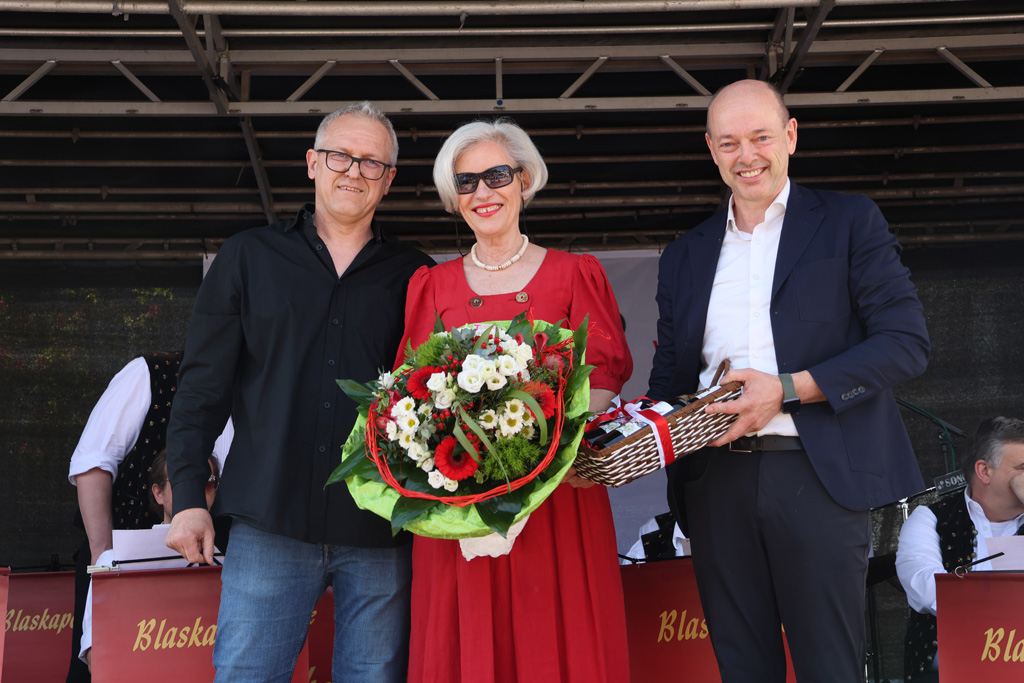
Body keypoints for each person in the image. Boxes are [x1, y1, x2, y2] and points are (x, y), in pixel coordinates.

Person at [647, 79, 930, 682]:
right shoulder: (685, 254)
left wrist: (790, 387)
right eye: (728, 142)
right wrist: (625, 432)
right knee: (743, 670)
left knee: (830, 669)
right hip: (714, 481)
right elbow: (668, 379)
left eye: (760, 138)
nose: (746, 156)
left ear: (791, 136)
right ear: (710, 148)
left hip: (819, 476)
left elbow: (905, 344)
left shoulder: (849, 221)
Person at [164, 101, 434, 683]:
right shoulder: (247, 257)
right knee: (246, 675)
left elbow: (432, 403)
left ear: (388, 181)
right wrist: (187, 495)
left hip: (379, 524)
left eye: (371, 163)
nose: (353, 171)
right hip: (268, 519)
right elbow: (201, 388)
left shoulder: (418, 275)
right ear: (312, 163)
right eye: (340, 155)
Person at [397, 118, 633, 682]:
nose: (483, 192)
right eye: (467, 182)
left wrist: (538, 449)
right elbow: (411, 391)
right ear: (454, 199)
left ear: (524, 180)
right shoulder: (432, 285)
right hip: (461, 507)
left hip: (556, 498)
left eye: (496, 175)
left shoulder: (575, 275)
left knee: (558, 639)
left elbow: (603, 378)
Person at [65, 351, 232, 683]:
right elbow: (93, 464)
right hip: (126, 559)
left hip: (222, 563)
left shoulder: (266, 391)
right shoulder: (151, 374)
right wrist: (106, 564)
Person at [896, 416, 1024, 682]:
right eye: (1023, 467)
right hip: (947, 672)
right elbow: (925, 590)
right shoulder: (930, 518)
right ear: (985, 471)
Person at [78, 449, 222, 670]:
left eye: (208, 483)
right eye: (184, 482)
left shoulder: (231, 562)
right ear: (158, 494)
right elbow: (95, 654)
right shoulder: (113, 560)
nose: (197, 493)